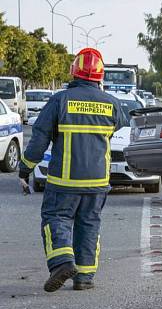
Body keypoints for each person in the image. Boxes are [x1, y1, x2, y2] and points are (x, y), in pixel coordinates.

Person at [18, 47, 129, 292]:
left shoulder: (60, 100)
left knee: (56, 218)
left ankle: (62, 263)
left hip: (64, 181)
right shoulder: (111, 103)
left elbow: (39, 138)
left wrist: (25, 168)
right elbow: (122, 123)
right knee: (89, 225)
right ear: (100, 75)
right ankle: (84, 278)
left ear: (74, 71)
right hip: (98, 182)